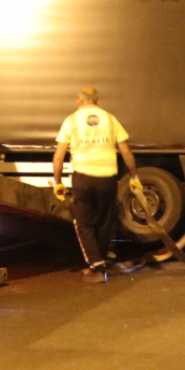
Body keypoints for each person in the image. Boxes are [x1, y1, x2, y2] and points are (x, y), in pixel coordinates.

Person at [52, 87, 142, 284]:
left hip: (83, 178)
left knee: (83, 223)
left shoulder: (72, 120)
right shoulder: (110, 119)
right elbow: (126, 152)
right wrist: (134, 176)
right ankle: (98, 262)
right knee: (104, 221)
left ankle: (97, 267)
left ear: (78, 102)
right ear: (98, 102)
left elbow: (59, 157)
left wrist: (58, 182)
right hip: (108, 178)